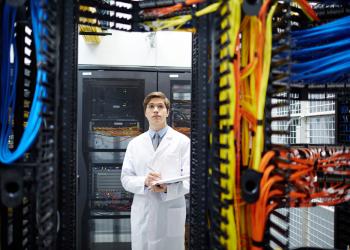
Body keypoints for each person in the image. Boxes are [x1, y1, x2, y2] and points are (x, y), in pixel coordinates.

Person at [121, 91, 190, 250]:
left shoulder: (182, 142)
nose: (156, 110)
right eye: (151, 106)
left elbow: (190, 180)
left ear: (167, 111)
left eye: (160, 106)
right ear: (145, 112)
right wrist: (144, 181)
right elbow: (125, 179)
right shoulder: (135, 144)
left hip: (170, 209)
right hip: (143, 211)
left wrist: (168, 188)